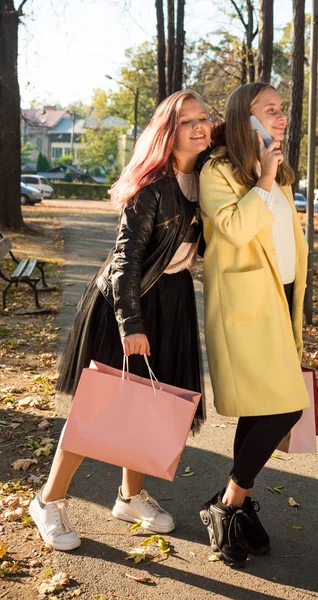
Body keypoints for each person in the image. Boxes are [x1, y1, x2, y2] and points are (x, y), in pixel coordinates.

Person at [29, 90, 210, 552]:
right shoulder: (152, 185)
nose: (198, 126)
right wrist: (130, 323)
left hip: (173, 299)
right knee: (102, 405)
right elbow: (126, 259)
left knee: (151, 400)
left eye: (203, 118)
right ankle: (48, 501)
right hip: (129, 300)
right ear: (167, 132)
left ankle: (130, 497)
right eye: (185, 120)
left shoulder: (211, 179)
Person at [198, 83, 311, 567]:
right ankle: (228, 506)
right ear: (246, 118)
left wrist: (270, 174)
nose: (281, 117)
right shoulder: (219, 171)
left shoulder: (278, 172)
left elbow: (286, 237)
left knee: (262, 409)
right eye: (271, 110)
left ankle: (232, 507)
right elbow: (239, 229)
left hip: (282, 300)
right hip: (245, 308)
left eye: (282, 110)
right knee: (285, 408)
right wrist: (263, 177)